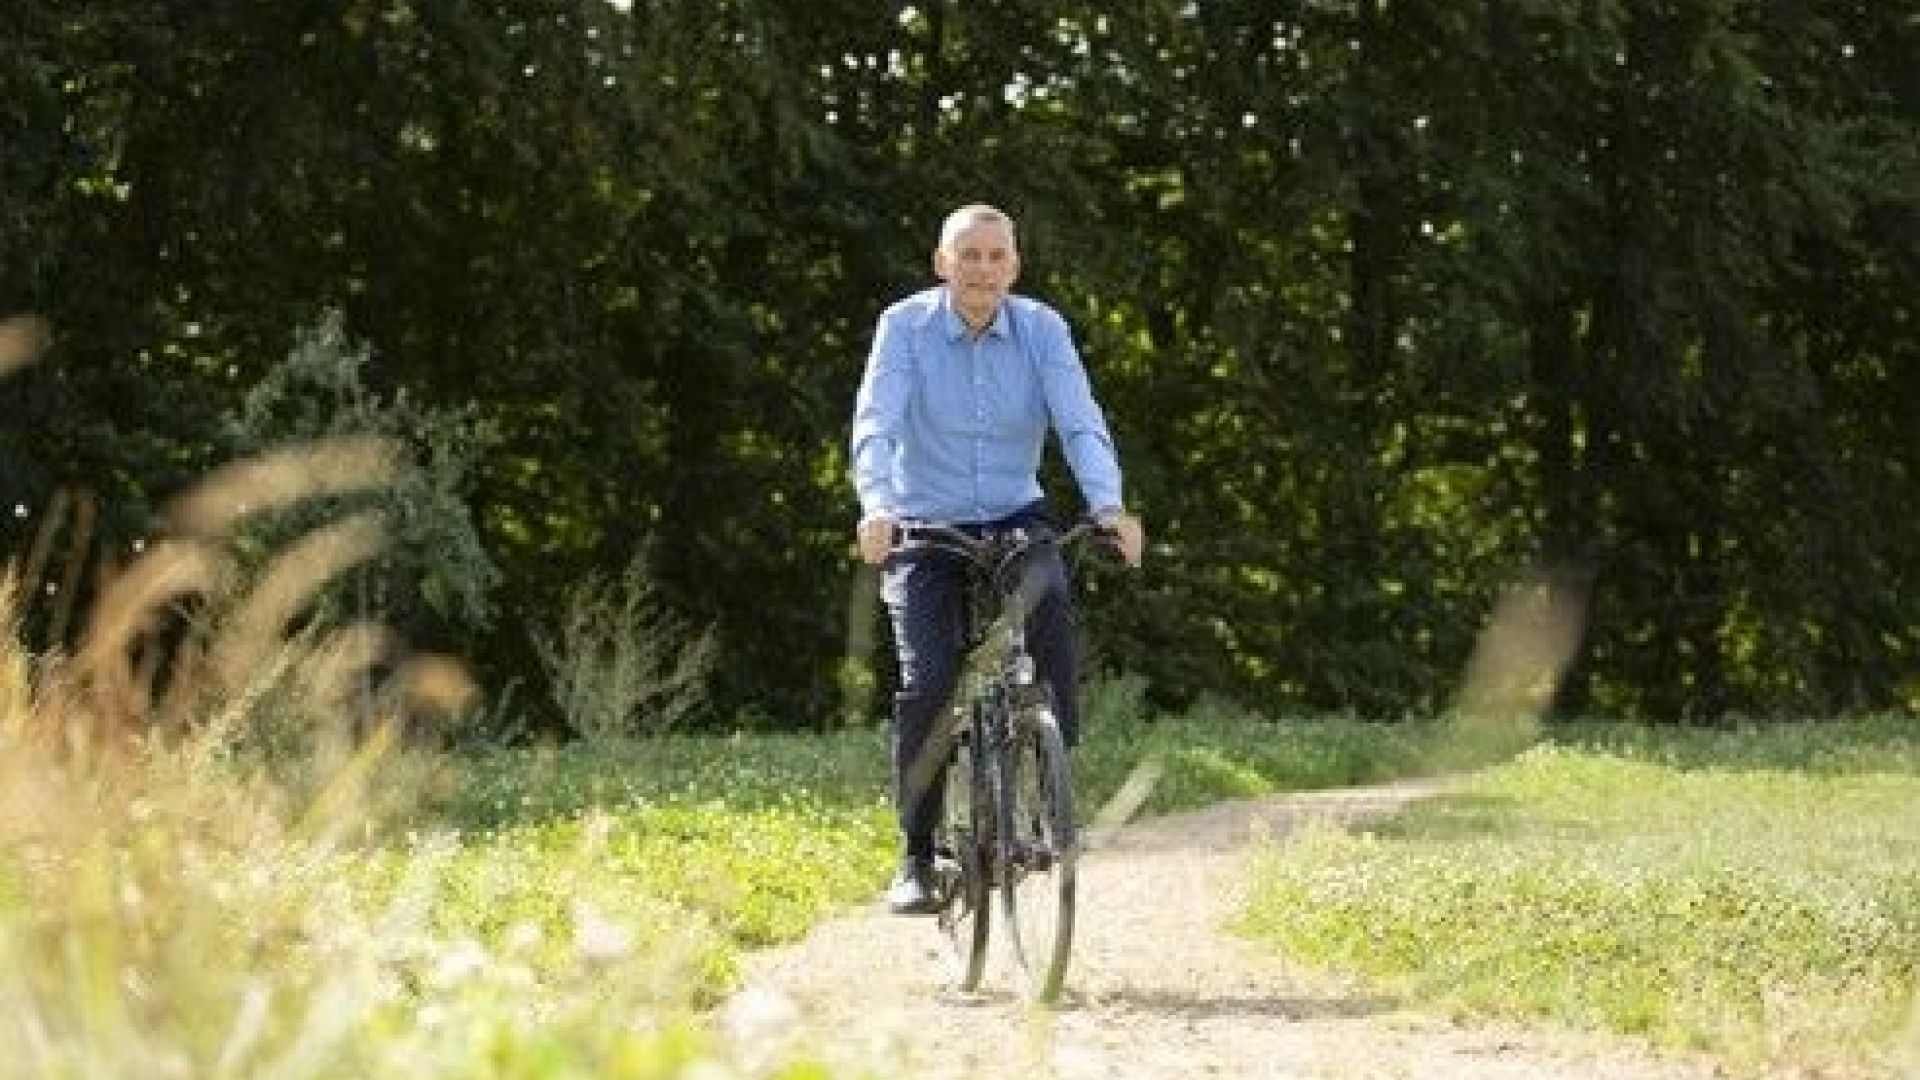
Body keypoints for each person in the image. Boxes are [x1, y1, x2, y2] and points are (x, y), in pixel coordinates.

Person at [848, 203, 1144, 915]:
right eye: (969, 255)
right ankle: (918, 856)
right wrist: (877, 505)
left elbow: (1080, 421)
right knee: (930, 682)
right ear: (942, 264)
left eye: (996, 256)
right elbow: (877, 423)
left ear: (1014, 266)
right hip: (923, 522)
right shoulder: (904, 327)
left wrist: (1108, 505)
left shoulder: (1042, 330)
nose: (982, 269)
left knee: (1051, 602)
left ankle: (1048, 782)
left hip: (1014, 515)